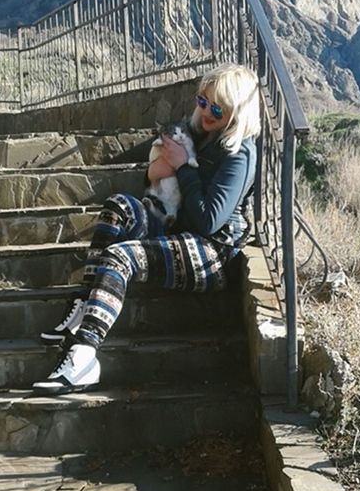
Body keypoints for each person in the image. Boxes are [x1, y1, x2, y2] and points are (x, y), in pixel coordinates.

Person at [32, 63, 260, 395]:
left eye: (217, 107)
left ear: (238, 111)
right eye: (202, 101)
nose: (206, 112)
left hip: (212, 254)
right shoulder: (199, 135)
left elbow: (208, 220)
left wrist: (183, 165)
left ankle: (83, 356)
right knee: (119, 206)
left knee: (120, 257)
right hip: (175, 232)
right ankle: (84, 305)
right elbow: (150, 176)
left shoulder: (239, 155)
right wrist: (175, 164)